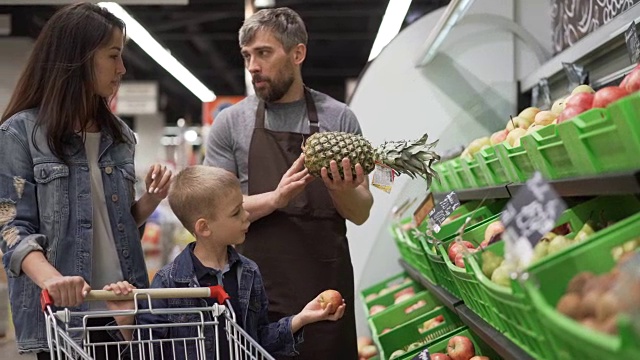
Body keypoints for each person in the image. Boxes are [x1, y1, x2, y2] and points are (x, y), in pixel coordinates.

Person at [0, 3, 171, 358]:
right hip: (62, 315)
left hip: (122, 308)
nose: (122, 68)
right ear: (79, 58)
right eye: (113, 56)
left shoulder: (120, 135)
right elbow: (10, 226)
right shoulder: (20, 134)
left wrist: (149, 203)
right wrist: (52, 280)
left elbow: (114, 225)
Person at [204, 6, 373, 359]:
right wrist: (276, 198)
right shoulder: (230, 124)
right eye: (247, 55)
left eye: (264, 53)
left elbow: (361, 212)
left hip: (326, 291)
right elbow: (212, 212)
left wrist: (341, 189)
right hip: (255, 293)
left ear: (297, 53)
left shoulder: (338, 118)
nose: (252, 66)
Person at [104, 165, 346, 359]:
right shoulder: (168, 282)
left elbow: (258, 341)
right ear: (204, 227)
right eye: (236, 212)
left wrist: (301, 318)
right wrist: (126, 322)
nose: (246, 215)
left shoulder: (249, 273)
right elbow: (150, 350)